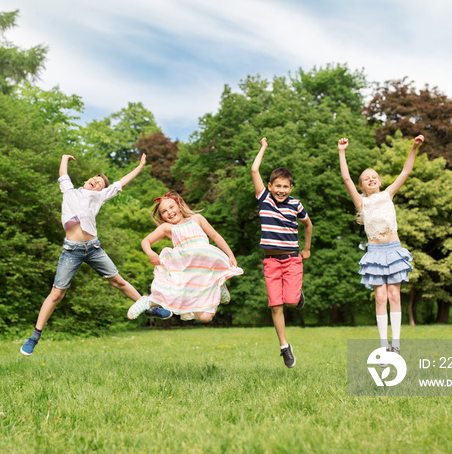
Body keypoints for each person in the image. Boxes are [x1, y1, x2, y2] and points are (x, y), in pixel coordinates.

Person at [20, 154, 168, 356]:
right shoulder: (69, 191)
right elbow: (63, 174)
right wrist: (63, 158)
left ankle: (149, 306)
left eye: (100, 183)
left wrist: (140, 167)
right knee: (56, 294)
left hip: (93, 248)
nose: (96, 181)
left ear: (101, 190)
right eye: (95, 179)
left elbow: (120, 183)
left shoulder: (99, 196)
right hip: (71, 250)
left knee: (119, 281)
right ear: (85, 181)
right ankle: (34, 336)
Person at [338, 135, 424, 356]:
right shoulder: (361, 202)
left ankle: (396, 344)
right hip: (375, 253)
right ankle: (383, 343)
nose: (372, 179)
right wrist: (342, 152)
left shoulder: (388, 195)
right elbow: (346, 178)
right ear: (362, 186)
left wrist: (413, 147)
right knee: (380, 297)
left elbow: (405, 171)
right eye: (367, 178)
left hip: (393, 250)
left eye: (374, 176)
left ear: (379, 181)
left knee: (395, 296)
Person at [127, 192, 243, 322]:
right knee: (203, 317)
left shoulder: (197, 219)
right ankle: (147, 301)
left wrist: (230, 255)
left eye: (171, 207)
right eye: (164, 211)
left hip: (207, 265)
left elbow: (215, 236)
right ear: (162, 217)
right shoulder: (168, 227)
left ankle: (217, 283)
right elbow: (145, 241)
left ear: (179, 206)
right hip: (188, 270)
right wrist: (151, 253)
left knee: (205, 315)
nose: (169, 212)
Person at [251, 138, 313, 368]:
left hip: (292, 260)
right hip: (271, 262)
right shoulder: (264, 200)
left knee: (291, 301)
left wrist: (306, 249)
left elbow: (309, 225)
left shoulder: (296, 204)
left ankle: (297, 297)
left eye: (285, 186)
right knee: (276, 305)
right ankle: (284, 347)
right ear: (269, 186)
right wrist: (264, 148)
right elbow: (254, 169)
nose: (281, 190)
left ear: (291, 189)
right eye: (277, 185)